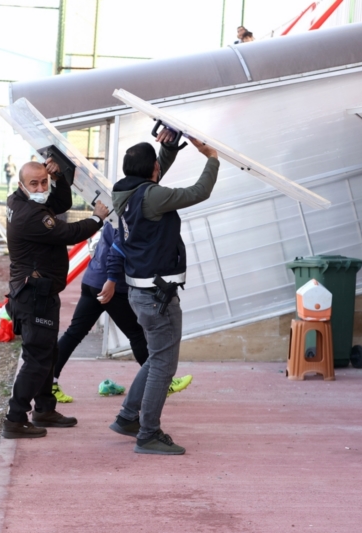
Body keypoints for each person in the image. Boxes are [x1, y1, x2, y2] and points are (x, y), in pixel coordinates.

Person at [52, 129, 193, 403]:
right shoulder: (135, 199)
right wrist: (113, 280)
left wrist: (170, 147)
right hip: (109, 281)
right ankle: (162, 380)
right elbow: (118, 247)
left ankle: (49, 381)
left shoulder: (125, 193)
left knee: (75, 333)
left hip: (95, 278)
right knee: (137, 334)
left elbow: (156, 173)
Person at [108, 134, 219, 455]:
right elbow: (200, 191)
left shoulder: (126, 192)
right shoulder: (151, 196)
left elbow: (151, 180)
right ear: (153, 169)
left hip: (140, 292)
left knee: (157, 357)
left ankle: (129, 416)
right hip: (158, 297)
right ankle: (148, 434)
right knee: (163, 365)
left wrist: (167, 149)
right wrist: (211, 157)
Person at [1, 158, 109, 439]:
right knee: (38, 358)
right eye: (34, 183)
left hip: (39, 291)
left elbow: (59, 205)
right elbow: (68, 232)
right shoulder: (30, 216)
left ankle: (44, 408)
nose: (40, 187)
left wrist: (59, 179)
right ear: (22, 185)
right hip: (34, 294)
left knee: (48, 353)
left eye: (44, 181)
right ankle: (15, 418)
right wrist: (97, 218)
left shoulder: (19, 201)